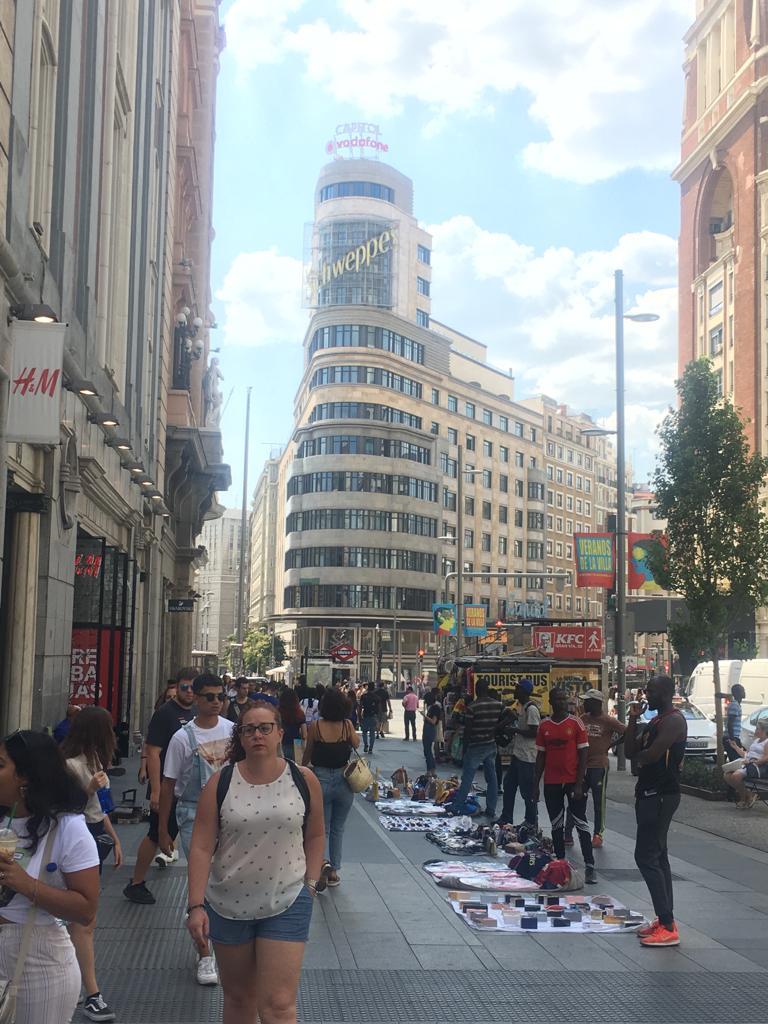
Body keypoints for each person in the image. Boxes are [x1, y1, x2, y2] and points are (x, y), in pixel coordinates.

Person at [186, 701, 324, 1024]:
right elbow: (202, 846)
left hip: (288, 899)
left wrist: (311, 886)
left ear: (279, 733)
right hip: (228, 905)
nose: (257, 735)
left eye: (265, 728)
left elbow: (316, 835)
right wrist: (195, 905)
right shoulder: (219, 783)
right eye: (249, 729)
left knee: (278, 1004)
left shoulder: (303, 779)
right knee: (238, 999)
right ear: (241, 737)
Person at [0, 730, 100, 1024]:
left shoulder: (69, 829)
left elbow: (86, 910)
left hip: (38, 963)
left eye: (0, 764)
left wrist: (25, 884)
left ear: (26, 776)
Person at [159, 674, 233, 986]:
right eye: (209, 696)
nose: (215, 702)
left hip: (231, 813)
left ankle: (221, 940)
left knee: (224, 881)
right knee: (202, 884)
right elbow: (168, 785)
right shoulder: (181, 738)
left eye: (220, 696)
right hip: (190, 813)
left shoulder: (233, 731)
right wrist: (164, 829)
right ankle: (205, 954)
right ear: (196, 699)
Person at [62, 707, 123, 1021]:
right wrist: (89, 789)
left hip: (96, 833)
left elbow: (102, 807)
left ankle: (76, 987)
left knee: (82, 920)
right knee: (83, 920)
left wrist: (114, 838)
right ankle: (91, 993)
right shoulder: (71, 766)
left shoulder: (96, 760)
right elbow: (64, 808)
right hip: (79, 836)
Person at [123, 667, 196, 905]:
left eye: (192, 688)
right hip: (166, 785)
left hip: (188, 787)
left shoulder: (198, 711)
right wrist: (155, 789)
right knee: (156, 834)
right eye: (184, 687)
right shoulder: (165, 714)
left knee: (171, 834)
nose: (188, 692)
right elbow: (153, 752)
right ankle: (136, 883)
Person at [624, 674, 687, 947]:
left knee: (646, 856)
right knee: (658, 856)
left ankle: (668, 925)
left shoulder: (674, 720)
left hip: (661, 794)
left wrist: (640, 760)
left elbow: (649, 755)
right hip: (649, 793)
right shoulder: (654, 722)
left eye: (650, 691)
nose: (645, 695)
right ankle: (664, 920)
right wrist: (633, 720)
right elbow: (629, 752)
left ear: (664, 693)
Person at [532, 688, 597, 884]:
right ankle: (561, 863)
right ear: (550, 701)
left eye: (564, 699)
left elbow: (584, 754)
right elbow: (541, 756)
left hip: (573, 781)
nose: (562, 702)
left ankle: (590, 866)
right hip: (552, 781)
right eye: (558, 699)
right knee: (556, 825)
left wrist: (579, 783)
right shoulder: (544, 726)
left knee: (580, 822)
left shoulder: (576, 723)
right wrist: (535, 785)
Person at [302, 688, 360, 888]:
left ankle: (321, 865)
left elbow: (308, 752)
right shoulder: (347, 725)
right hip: (344, 780)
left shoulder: (316, 726)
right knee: (338, 828)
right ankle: (334, 871)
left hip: (321, 779)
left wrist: (302, 770)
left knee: (321, 829)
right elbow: (357, 744)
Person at [564, 689, 626, 848]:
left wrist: (612, 744)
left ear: (597, 703)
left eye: (587, 701)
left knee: (599, 803)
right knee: (575, 799)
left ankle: (598, 834)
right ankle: (568, 832)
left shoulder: (608, 720)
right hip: (581, 766)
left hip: (599, 766)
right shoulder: (582, 718)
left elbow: (626, 731)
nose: (584, 704)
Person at [446, 678, 503, 818]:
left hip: (475, 746)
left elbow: (468, 731)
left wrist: (464, 750)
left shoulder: (472, 707)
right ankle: (491, 809)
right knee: (492, 778)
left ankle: (457, 806)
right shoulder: (498, 705)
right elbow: (504, 719)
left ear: (477, 690)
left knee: (467, 778)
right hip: (490, 744)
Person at [498, 679, 541, 827]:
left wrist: (515, 730)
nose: (514, 690)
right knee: (509, 785)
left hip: (528, 757)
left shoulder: (531, 709)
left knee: (527, 791)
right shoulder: (522, 707)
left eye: (517, 688)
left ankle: (531, 820)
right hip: (518, 755)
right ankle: (506, 817)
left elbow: (535, 732)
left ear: (524, 691)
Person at [724, 718, 768, 807]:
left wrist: (754, 762)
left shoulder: (766, 742)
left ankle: (743, 799)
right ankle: (749, 795)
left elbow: (766, 757)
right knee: (727, 775)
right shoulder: (756, 741)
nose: (755, 730)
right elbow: (747, 754)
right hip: (748, 764)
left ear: (763, 731)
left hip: (757, 767)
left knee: (736, 776)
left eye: (757, 728)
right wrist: (736, 747)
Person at [278, 688, 307, 761]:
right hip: (296, 744)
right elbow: (304, 734)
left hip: (282, 743)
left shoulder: (277, 712)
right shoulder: (300, 713)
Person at [724, 683, 747, 762]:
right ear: (737, 693)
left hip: (733, 737)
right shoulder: (734, 705)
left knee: (736, 761)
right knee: (736, 762)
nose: (744, 692)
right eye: (742, 691)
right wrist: (732, 739)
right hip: (731, 738)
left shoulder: (736, 705)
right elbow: (730, 723)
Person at [421, 691, 442, 774]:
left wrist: (424, 715)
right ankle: (430, 770)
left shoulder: (435, 708)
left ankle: (431, 770)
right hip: (427, 729)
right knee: (427, 751)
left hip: (429, 729)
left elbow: (433, 721)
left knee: (428, 751)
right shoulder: (431, 707)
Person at [359, 682, 380, 754]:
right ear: (374, 688)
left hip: (365, 716)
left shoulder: (363, 696)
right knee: (372, 733)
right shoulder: (377, 697)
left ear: (368, 687)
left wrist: (359, 717)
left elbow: (360, 707)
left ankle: (366, 745)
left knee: (364, 732)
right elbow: (379, 709)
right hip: (373, 716)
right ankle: (371, 748)